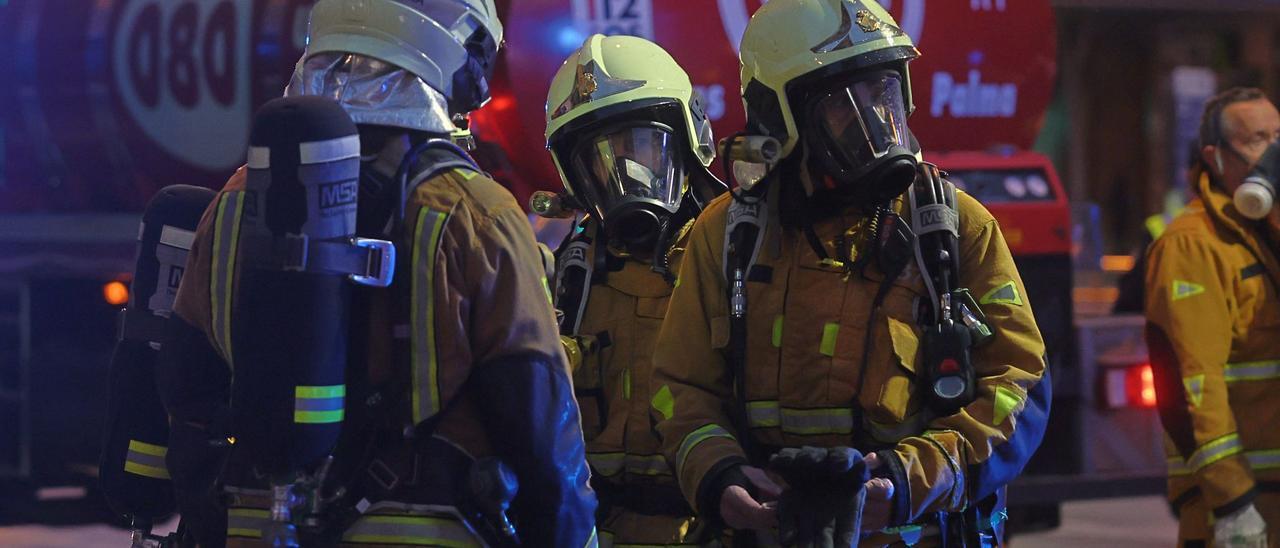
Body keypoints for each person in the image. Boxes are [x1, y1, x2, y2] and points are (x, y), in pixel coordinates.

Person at [155, 1, 598, 546]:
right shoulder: (475, 211)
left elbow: (185, 387)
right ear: (451, 55)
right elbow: (540, 425)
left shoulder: (235, 202)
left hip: (260, 522)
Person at [649, 0, 1050, 545]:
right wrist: (719, 477)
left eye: (884, 93)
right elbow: (679, 388)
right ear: (780, 118)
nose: (878, 122)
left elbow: (1020, 384)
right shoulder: (728, 235)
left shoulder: (954, 228)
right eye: (845, 105)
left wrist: (912, 478)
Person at [539, 34, 727, 546]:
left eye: (639, 148)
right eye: (600, 162)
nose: (624, 175)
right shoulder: (567, 281)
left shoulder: (735, 260)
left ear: (690, 139)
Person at [1145, 86, 1280, 548]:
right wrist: (1233, 503)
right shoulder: (1193, 245)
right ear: (1215, 157)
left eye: (1278, 135)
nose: (1274, 152)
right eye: (1258, 139)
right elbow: (1192, 383)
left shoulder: (1265, 234)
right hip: (1244, 509)